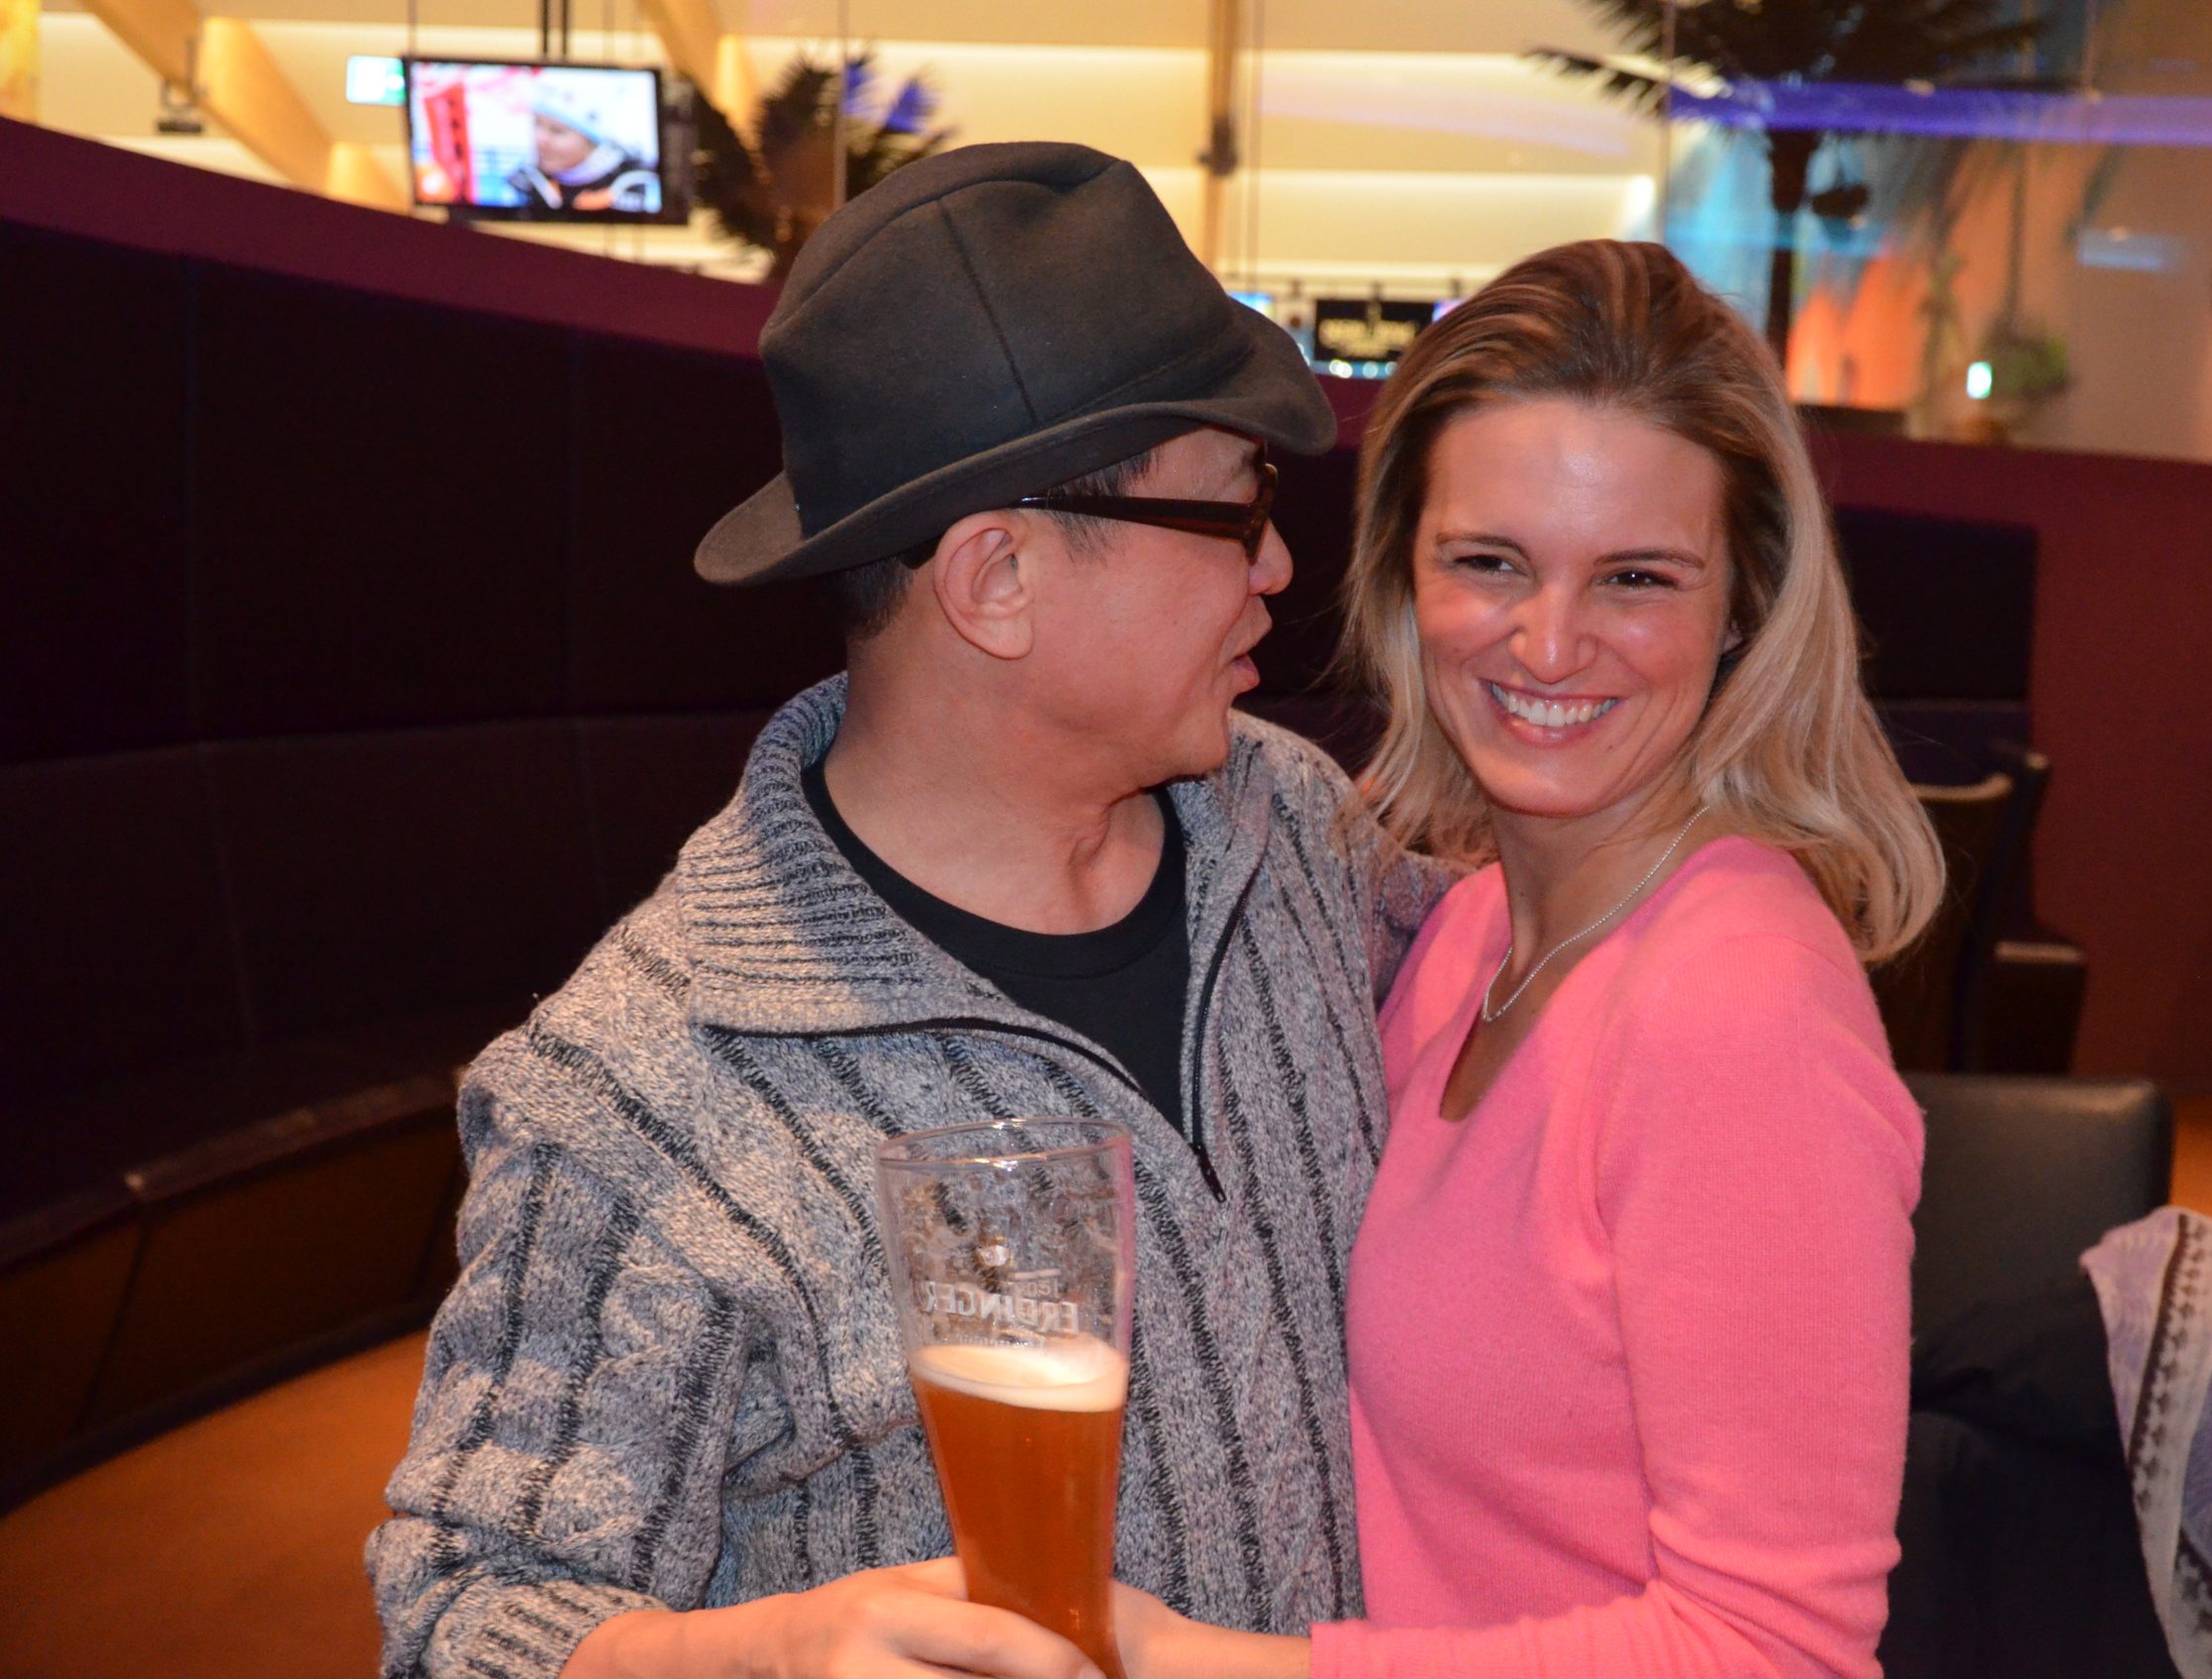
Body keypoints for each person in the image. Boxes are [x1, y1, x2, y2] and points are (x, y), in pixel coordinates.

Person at [367, 143, 1447, 1679]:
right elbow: (461, 1611)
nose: (1277, 562)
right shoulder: (645, 1091)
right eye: (1235, 507)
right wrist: (768, 1657)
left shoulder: (1293, 828)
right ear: (996, 579)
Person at [1114, 240, 1946, 1678]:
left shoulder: (1737, 1008)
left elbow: (1775, 1649)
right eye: (1489, 562)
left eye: (1635, 578)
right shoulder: (1473, 930)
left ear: (1743, 604)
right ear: (1404, 573)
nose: (1549, 646)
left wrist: (1201, 1664)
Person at [507, 79, 660, 213]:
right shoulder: (524, 180)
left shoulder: (637, 179)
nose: (540, 139)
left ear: (591, 141)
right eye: (537, 124)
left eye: (557, 131)